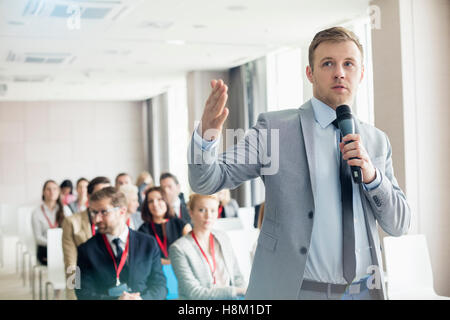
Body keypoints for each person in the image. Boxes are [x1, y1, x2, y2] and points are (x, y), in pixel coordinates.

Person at [188, 26, 411, 300]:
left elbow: (399, 224)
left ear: (361, 74)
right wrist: (206, 136)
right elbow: (207, 180)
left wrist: (373, 177)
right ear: (310, 73)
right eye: (328, 63)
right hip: (296, 292)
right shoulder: (275, 130)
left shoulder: (377, 141)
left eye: (349, 64)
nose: (339, 72)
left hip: (363, 292)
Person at [76, 187, 167, 300]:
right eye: (94, 213)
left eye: (104, 212)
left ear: (122, 211)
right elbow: (82, 293)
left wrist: (143, 299)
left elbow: (160, 286)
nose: (97, 219)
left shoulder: (148, 243)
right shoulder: (85, 250)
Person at [169, 193, 247, 300]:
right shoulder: (179, 248)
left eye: (213, 210)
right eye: (202, 210)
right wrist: (236, 291)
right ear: (191, 213)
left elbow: (237, 277)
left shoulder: (223, 238)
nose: (208, 216)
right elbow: (195, 294)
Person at [62, 176, 111, 300]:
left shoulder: (117, 221)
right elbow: (71, 263)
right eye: (99, 194)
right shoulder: (72, 222)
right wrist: (75, 292)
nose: (104, 199)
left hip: (113, 280)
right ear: (88, 197)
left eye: (108, 194)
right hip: (86, 280)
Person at [138, 187, 191, 265]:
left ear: (166, 202)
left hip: (181, 268)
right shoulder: (142, 230)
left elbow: (191, 252)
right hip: (156, 273)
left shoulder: (182, 225)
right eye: (150, 201)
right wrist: (168, 262)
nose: (155, 204)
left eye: (159, 199)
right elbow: (145, 258)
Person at [31, 180, 72, 265]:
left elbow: (71, 230)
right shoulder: (37, 212)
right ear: (43, 192)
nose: (52, 192)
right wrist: (54, 244)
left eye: (54, 189)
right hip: (46, 249)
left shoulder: (65, 209)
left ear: (59, 192)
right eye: (48, 189)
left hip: (63, 247)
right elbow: (38, 238)